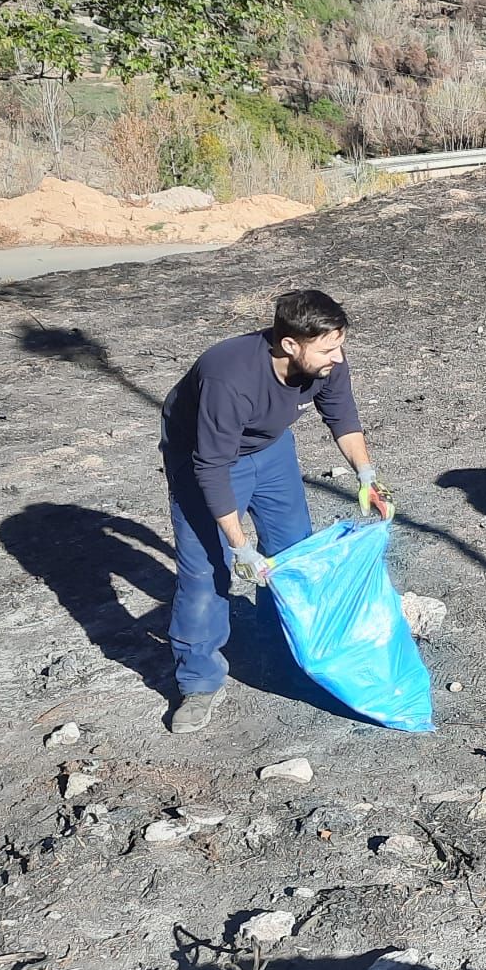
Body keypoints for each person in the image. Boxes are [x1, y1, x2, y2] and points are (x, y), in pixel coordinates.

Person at [157, 289, 388, 733]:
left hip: (270, 446)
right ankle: (198, 681)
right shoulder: (230, 376)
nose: (337, 358)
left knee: (292, 550)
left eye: (339, 345)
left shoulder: (326, 361)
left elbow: (343, 416)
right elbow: (211, 467)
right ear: (288, 345)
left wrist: (366, 477)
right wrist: (240, 545)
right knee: (207, 569)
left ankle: (282, 648)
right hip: (203, 455)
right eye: (326, 349)